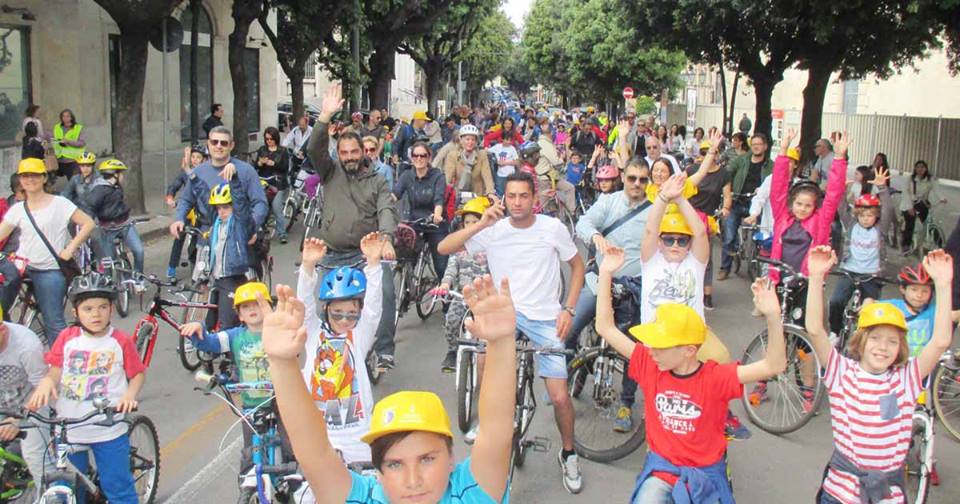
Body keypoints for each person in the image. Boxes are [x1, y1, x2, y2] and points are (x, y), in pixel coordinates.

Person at [261, 274, 515, 504]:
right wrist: (282, 363)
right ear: (378, 472)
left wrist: (501, 342)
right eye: (394, 464)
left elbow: (496, 431)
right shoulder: (365, 498)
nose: (413, 481)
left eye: (427, 459)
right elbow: (314, 452)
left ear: (451, 459)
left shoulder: (471, 492)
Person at [594, 245, 786, 503]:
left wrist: (773, 316)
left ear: (689, 350)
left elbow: (774, 365)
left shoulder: (715, 378)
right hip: (662, 471)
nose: (651, 350)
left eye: (661, 345)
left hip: (705, 475)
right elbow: (605, 327)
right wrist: (606, 273)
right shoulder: (650, 364)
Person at [438, 171, 586, 493]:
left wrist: (569, 309)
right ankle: (487, 422)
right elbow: (444, 247)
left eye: (524, 196)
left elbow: (577, 266)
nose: (517, 202)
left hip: (545, 318)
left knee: (559, 396)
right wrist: (481, 224)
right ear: (504, 198)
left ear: (535, 199)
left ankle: (569, 453)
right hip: (505, 314)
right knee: (484, 363)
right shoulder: (494, 230)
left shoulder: (552, 228)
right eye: (512, 196)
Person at [805, 246, 953, 504]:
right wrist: (816, 278)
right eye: (875, 338)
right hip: (839, 494)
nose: (883, 347)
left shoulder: (906, 378)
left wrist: (943, 284)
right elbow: (815, 329)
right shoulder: (841, 372)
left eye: (892, 341)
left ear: (901, 348)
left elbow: (940, 341)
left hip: (888, 496)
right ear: (860, 341)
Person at [27, 272, 146, 504]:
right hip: (69, 429)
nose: (96, 314)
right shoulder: (67, 337)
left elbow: (137, 374)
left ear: (111, 309)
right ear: (75, 312)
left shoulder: (119, 341)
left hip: (108, 428)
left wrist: (130, 395)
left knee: (118, 488)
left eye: (102, 307)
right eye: (88, 309)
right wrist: (48, 382)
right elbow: (56, 369)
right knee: (69, 488)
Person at [306, 84, 399, 370]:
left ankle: (384, 350)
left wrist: (386, 239)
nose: (349, 157)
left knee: (385, 294)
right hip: (332, 254)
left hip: (366, 255)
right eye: (344, 152)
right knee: (321, 304)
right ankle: (326, 350)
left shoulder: (378, 179)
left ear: (363, 152)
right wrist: (324, 117)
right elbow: (313, 148)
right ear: (338, 153)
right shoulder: (329, 171)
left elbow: (386, 208)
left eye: (354, 152)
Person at [178, 281, 292, 483]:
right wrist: (198, 329)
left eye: (257, 304)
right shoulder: (235, 336)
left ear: (269, 307)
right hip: (252, 403)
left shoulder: (277, 332)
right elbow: (211, 342)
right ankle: (250, 486)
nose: (252, 310)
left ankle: (294, 483)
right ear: (239, 315)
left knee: (290, 446)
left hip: (281, 400)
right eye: (245, 307)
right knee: (250, 451)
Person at [295, 233, 383, 466]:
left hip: (358, 437)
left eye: (352, 315)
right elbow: (304, 303)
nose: (344, 320)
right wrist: (308, 266)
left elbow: (374, 307)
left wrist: (373, 263)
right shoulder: (314, 334)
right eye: (337, 314)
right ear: (326, 311)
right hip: (319, 435)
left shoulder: (358, 336)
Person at [0, 159, 95, 344]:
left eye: (35, 175)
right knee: (3, 310)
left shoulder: (60, 203)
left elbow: (88, 223)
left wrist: (70, 249)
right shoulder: (17, 209)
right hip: (22, 267)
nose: (30, 180)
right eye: (25, 176)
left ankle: (61, 359)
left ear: (44, 178)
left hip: (50, 269)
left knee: (53, 323)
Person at [170, 125, 269, 303]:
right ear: (208, 144)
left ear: (231, 145)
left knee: (243, 294)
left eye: (223, 143)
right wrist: (179, 219)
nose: (218, 146)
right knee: (202, 289)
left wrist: (251, 228)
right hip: (207, 237)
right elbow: (186, 199)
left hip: (238, 239)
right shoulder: (199, 171)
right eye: (214, 142)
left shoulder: (246, 171)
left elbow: (260, 203)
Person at [827, 168, 893, 337]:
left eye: (870, 215)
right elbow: (841, 207)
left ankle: (864, 337)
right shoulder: (851, 225)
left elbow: (887, 210)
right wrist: (841, 189)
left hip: (872, 274)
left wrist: (883, 188)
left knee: (870, 311)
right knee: (836, 301)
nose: (865, 218)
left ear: (876, 216)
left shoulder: (880, 229)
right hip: (849, 271)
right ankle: (834, 332)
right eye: (862, 215)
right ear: (856, 214)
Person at [435, 197, 492, 371]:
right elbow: (451, 269)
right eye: (467, 222)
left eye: (475, 221)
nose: (471, 225)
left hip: (485, 299)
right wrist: (445, 284)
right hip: (463, 295)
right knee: (452, 320)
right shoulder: (460, 247)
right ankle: (452, 351)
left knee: (488, 332)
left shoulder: (492, 246)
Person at [0, 307, 52, 497]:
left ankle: (49, 496)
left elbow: (42, 389)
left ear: (2, 329)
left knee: (37, 459)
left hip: (31, 405)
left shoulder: (26, 345)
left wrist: (18, 420)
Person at [719, 133, 773, 280]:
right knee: (729, 237)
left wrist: (762, 190)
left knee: (761, 237)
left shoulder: (771, 166)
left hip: (757, 205)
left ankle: (759, 267)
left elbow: (774, 183)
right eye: (753, 144)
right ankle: (725, 268)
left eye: (759, 144)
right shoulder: (741, 160)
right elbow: (727, 174)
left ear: (765, 146)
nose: (756, 147)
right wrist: (728, 191)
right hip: (737, 201)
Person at [686, 135, 732, 309]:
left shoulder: (723, 174)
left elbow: (727, 195)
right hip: (688, 218)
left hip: (708, 219)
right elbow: (680, 186)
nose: (707, 155)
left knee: (706, 257)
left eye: (710, 152)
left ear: (717, 154)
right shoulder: (692, 170)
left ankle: (707, 294)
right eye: (703, 152)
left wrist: (726, 208)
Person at [81, 159, 145, 279]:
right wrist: (88, 223)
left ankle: (138, 279)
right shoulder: (99, 190)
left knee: (139, 251)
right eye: (121, 173)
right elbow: (89, 207)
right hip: (108, 229)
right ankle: (108, 283)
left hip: (125, 225)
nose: (123, 176)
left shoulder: (116, 186)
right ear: (114, 174)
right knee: (108, 262)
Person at [394, 142, 449, 280]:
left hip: (435, 223)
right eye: (415, 155)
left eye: (423, 155)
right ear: (411, 158)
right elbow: (395, 194)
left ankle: (444, 290)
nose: (419, 158)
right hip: (415, 223)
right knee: (406, 258)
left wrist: (437, 215)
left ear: (429, 158)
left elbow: (439, 199)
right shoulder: (407, 175)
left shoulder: (438, 176)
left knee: (441, 266)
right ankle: (406, 288)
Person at [204, 183, 256, 330]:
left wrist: (234, 180)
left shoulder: (239, 224)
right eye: (218, 208)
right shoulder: (217, 225)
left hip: (233, 278)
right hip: (218, 278)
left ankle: (233, 344)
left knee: (227, 325)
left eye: (226, 207)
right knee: (210, 322)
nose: (221, 212)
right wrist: (193, 177)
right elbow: (202, 196)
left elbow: (241, 204)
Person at [165, 145, 206, 278]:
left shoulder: (206, 172)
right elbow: (174, 185)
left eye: (198, 157)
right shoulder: (185, 173)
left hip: (202, 212)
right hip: (188, 211)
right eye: (193, 157)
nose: (195, 160)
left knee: (200, 238)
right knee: (179, 235)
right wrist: (170, 198)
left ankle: (200, 266)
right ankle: (172, 267)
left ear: (204, 159)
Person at [255, 126, 292, 244]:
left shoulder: (283, 151)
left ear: (276, 138)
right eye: (267, 139)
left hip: (278, 183)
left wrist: (274, 164)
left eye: (271, 139)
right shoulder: (262, 150)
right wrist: (260, 163)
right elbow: (256, 166)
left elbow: (285, 167)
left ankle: (282, 233)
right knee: (261, 207)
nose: (269, 141)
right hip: (264, 181)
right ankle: (260, 229)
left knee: (276, 208)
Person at [900, 160, 945, 252]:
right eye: (918, 167)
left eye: (922, 167)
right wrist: (910, 207)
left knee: (929, 223)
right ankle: (906, 245)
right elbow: (905, 193)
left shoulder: (930, 179)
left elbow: (937, 189)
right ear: (915, 169)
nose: (920, 169)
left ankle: (940, 244)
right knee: (910, 223)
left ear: (926, 169)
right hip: (908, 203)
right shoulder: (910, 179)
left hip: (922, 204)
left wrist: (942, 198)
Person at [442, 124, 494, 195]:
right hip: (458, 195)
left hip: (477, 195)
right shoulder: (453, 155)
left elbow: (487, 177)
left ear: (476, 142)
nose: (470, 142)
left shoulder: (482, 155)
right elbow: (448, 178)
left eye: (473, 140)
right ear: (461, 140)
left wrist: (490, 193)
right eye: (467, 139)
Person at [50, 109, 85, 180]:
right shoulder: (57, 127)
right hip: (59, 159)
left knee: (73, 181)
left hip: (72, 160)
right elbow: (53, 138)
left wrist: (69, 142)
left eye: (67, 116)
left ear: (71, 117)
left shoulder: (78, 128)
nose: (65, 118)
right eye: (63, 116)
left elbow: (82, 143)